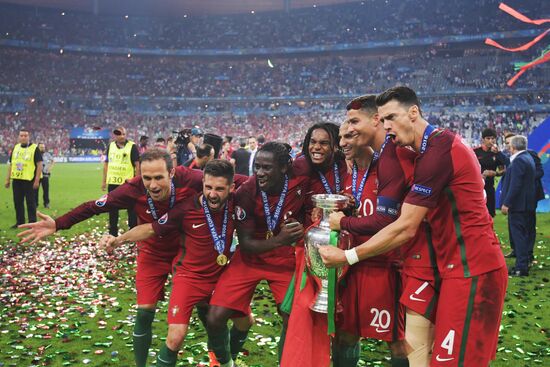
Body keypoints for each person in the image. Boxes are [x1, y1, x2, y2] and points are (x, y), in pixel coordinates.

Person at [320, 86, 507, 367]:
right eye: (383, 120)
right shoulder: (417, 151)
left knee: (449, 360)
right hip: (444, 265)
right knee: (419, 352)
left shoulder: (437, 150)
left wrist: (347, 255)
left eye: (391, 118)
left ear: (413, 112)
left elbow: (404, 225)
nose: (387, 127)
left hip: (472, 267)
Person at [18, 149, 205, 367]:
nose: (153, 185)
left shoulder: (191, 178)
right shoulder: (132, 189)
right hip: (151, 253)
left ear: (172, 172)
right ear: (140, 174)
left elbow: (229, 182)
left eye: (158, 178)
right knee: (144, 313)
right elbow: (93, 207)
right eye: (147, 178)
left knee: (206, 308)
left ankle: (220, 356)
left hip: (186, 252)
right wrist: (58, 224)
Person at [99, 160, 254, 367]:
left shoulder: (238, 203)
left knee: (245, 322)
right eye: (208, 187)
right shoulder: (186, 208)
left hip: (222, 276)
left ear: (231, 188)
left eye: (219, 189)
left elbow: (263, 187)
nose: (212, 194)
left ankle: (227, 362)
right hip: (189, 277)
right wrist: (118, 240)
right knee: (175, 337)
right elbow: (151, 229)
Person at [207, 142, 309, 367]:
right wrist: (280, 239)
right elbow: (246, 244)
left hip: (283, 259)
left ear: (284, 167)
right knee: (214, 318)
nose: (260, 173)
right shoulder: (246, 192)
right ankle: (225, 363)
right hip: (250, 257)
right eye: (257, 167)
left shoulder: (301, 175)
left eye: (266, 168)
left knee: (293, 318)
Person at [503, 133, 545, 260]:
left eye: (509, 143)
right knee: (515, 226)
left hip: (528, 195)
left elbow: (539, 172)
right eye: (506, 143)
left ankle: (527, 255)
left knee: (527, 226)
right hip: (518, 198)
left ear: (515, 144)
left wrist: (527, 179)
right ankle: (517, 250)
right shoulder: (514, 157)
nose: (508, 146)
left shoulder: (529, 155)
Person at [500, 135, 537, 277]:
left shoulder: (519, 161)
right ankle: (524, 262)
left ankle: (521, 267)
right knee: (524, 234)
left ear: (512, 147)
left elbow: (516, 185)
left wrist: (507, 203)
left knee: (519, 235)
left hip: (519, 205)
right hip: (527, 204)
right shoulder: (528, 158)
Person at [102, 126, 140, 236]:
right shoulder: (111, 146)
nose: (122, 136)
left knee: (131, 208)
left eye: (123, 134)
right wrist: (104, 181)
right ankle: (113, 232)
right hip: (113, 183)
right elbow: (106, 164)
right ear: (115, 135)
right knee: (112, 208)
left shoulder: (132, 146)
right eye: (119, 134)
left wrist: (136, 181)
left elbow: (137, 165)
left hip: (128, 184)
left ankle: (132, 231)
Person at [5, 128, 42, 228]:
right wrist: (8, 179)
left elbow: (39, 164)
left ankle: (32, 223)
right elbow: (11, 164)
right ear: (18, 137)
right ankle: (20, 222)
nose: (23, 137)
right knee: (18, 202)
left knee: (30, 202)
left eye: (25, 135)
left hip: (29, 180)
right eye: (21, 135)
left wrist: (37, 180)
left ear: (28, 137)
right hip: (17, 180)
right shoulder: (16, 148)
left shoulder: (34, 148)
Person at [473, 128, 506, 217]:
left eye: (493, 138)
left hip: (489, 187)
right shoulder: (475, 152)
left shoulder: (497, 154)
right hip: (476, 188)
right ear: (483, 139)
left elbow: (503, 170)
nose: (491, 141)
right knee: (477, 214)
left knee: (490, 214)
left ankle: (490, 230)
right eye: (488, 138)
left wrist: (495, 173)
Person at [34, 143, 54, 209]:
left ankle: (46, 203)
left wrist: (50, 168)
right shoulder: (35, 154)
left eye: (43, 147)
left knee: (46, 190)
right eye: (41, 147)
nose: (43, 148)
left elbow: (53, 161)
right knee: (35, 190)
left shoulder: (47, 154)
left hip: (45, 175)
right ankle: (35, 204)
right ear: (38, 147)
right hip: (37, 175)